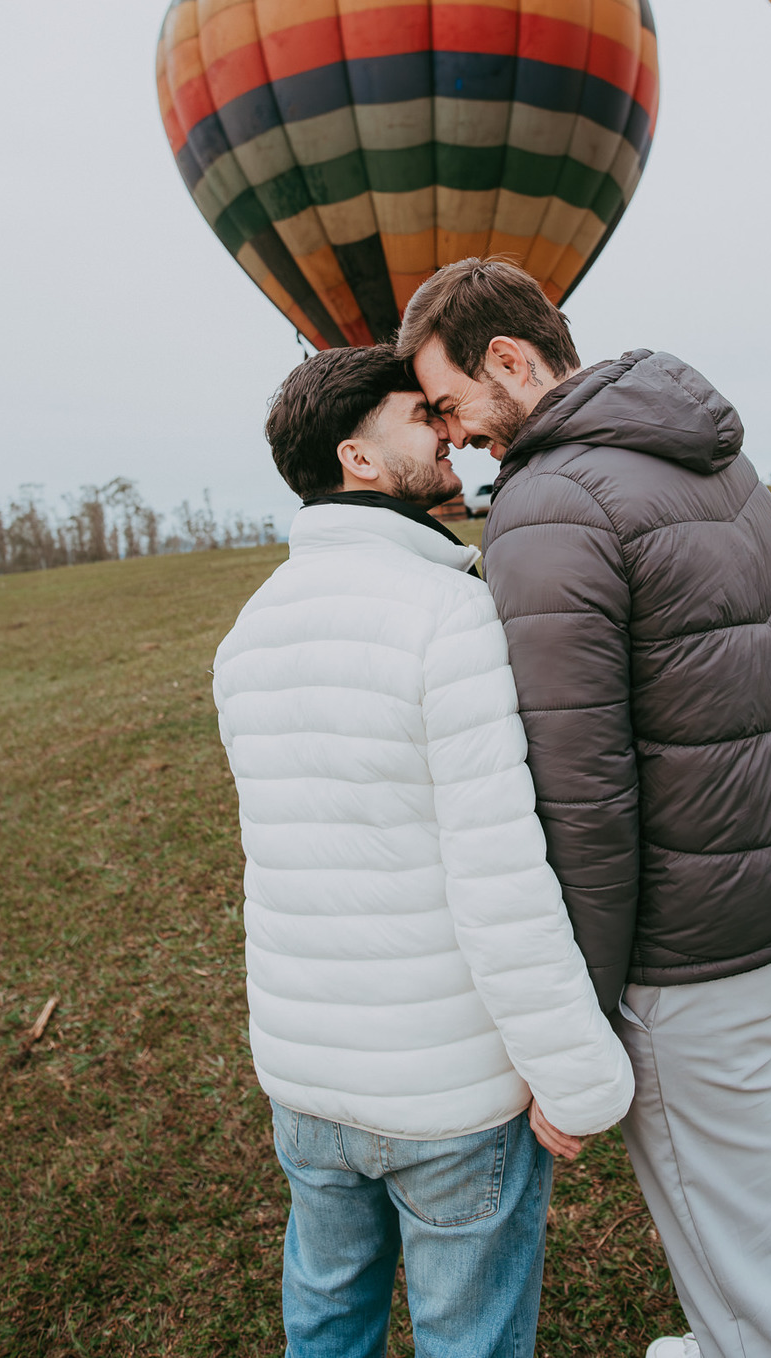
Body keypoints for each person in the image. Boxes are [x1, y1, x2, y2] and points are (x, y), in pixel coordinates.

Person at [397, 259, 771, 1358]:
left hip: (689, 947)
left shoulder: (551, 505)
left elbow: (582, 797)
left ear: (509, 360)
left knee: (730, 1229)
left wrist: (580, 1024)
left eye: (452, 405)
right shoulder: (697, 438)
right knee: (743, 1174)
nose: (452, 438)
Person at [213, 345, 634, 1358]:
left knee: (325, 1319)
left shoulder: (247, 632)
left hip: (307, 1078)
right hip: (446, 1099)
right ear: (359, 457)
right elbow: (499, 878)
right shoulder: (448, 617)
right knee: (467, 1338)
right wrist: (575, 1074)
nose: (448, 431)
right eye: (420, 416)